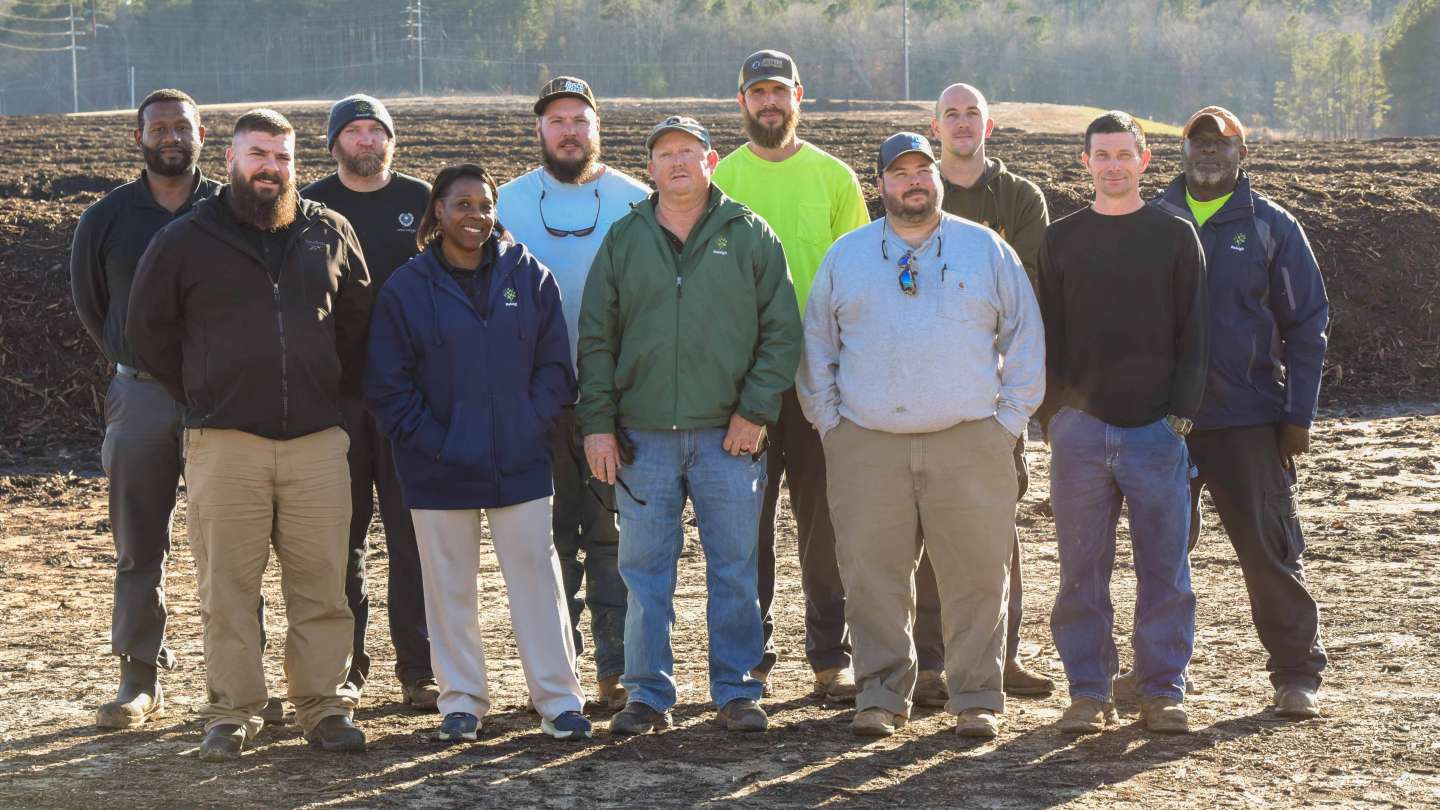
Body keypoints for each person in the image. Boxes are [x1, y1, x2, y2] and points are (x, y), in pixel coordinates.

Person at [127, 108, 372, 760]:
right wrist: (206, 391)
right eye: (259, 155)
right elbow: (148, 332)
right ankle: (233, 713)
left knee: (322, 583)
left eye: (283, 158)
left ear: (296, 164)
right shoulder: (186, 239)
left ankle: (324, 707)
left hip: (319, 443)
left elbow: (356, 325)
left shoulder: (330, 231)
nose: (271, 168)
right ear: (231, 161)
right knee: (228, 588)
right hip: (224, 442)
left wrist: (327, 393)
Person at [798, 132, 1044, 739]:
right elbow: (816, 349)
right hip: (867, 442)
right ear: (879, 185)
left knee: (977, 574)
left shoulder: (985, 250)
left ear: (938, 178)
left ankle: (976, 694)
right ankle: (880, 692)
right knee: (871, 576)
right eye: (899, 172)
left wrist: (1006, 423)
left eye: (922, 171)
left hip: (970, 439)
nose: (913, 181)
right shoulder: (846, 257)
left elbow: (1025, 338)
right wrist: (834, 424)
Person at [577, 115, 800, 735]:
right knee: (645, 569)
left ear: (711, 161)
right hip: (641, 437)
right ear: (649, 168)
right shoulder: (624, 238)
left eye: (689, 152)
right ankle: (647, 693)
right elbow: (596, 338)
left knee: (734, 564)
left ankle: (736, 689)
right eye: (665, 154)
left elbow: (781, 333)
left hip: (728, 437)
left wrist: (754, 412)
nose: (677, 163)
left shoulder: (750, 234)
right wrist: (597, 423)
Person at [365, 164, 592, 743]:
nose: (475, 216)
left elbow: (554, 371)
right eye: (462, 204)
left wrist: (524, 426)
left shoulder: (529, 276)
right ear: (437, 212)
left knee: (538, 583)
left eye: (485, 205)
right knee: (448, 589)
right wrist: (439, 443)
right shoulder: (407, 288)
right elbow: (389, 387)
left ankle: (559, 700)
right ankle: (462, 701)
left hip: (519, 461)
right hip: (436, 468)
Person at [1149, 105, 1329, 719]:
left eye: (1220, 144)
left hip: (1246, 417)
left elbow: (1307, 324)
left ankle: (1296, 673)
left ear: (1241, 153)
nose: (1208, 152)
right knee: (1163, 553)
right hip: (1163, 420)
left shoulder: (1271, 226)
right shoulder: (1151, 221)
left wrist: (1297, 415)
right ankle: (1157, 678)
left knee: (1268, 549)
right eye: (1197, 141)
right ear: (1183, 151)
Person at [1038, 111, 1207, 736]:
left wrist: (1179, 422)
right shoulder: (1061, 239)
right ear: (1086, 163)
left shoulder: (1174, 236)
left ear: (1145, 160)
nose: (1112, 165)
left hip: (1156, 434)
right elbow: (1047, 334)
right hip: (1079, 433)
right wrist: (1055, 416)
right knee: (1082, 570)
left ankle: (1163, 690)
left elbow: (1197, 336)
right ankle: (1088, 690)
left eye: (1123, 154)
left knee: (1165, 569)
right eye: (1101, 155)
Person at [711, 49, 870, 702]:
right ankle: (750, 658)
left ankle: (831, 656)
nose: (768, 102)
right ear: (742, 101)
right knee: (743, 526)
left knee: (823, 523)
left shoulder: (833, 178)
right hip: (740, 385)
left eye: (779, 91)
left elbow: (859, 280)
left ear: (799, 96)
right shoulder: (721, 179)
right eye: (757, 92)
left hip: (817, 381)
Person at [496, 77, 650, 710]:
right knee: (546, 540)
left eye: (579, 119)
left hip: (616, 400)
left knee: (614, 538)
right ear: (539, 130)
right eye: (556, 119)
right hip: (534, 401)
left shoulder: (635, 200)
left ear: (597, 128)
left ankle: (616, 670)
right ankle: (557, 677)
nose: (568, 130)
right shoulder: (504, 203)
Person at [69, 88, 219, 730]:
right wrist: (134, 360)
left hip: (224, 398)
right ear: (138, 139)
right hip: (141, 398)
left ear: (201, 134)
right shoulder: (105, 217)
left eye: (181, 127)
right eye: (157, 128)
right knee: (138, 543)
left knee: (231, 545)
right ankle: (138, 675)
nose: (170, 137)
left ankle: (237, 679)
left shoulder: (231, 207)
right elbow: (90, 302)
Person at [911, 82, 1055, 705]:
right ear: (935, 127)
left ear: (988, 127)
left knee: (996, 528)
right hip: (917, 392)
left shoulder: (1019, 198)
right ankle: (929, 663)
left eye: (972, 114)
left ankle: (1002, 656)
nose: (962, 123)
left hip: (991, 394)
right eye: (951, 115)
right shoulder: (908, 190)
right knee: (921, 531)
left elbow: (1021, 294)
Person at [301, 94, 437, 710]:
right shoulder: (307, 206)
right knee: (340, 539)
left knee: (415, 538)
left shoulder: (422, 200)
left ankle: (419, 668)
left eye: (374, 130)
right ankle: (348, 667)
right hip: (338, 400)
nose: (364, 140)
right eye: (352, 131)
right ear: (334, 143)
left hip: (412, 399)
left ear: (390, 140)